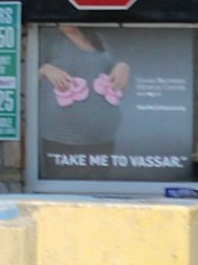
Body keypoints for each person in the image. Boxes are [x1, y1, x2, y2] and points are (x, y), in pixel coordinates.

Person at [37, 24, 130, 178]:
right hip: (63, 140)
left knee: (98, 195)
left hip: (103, 139)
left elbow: (115, 80)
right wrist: (44, 70)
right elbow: (23, 79)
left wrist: (123, 66)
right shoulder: (48, 36)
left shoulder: (95, 36)